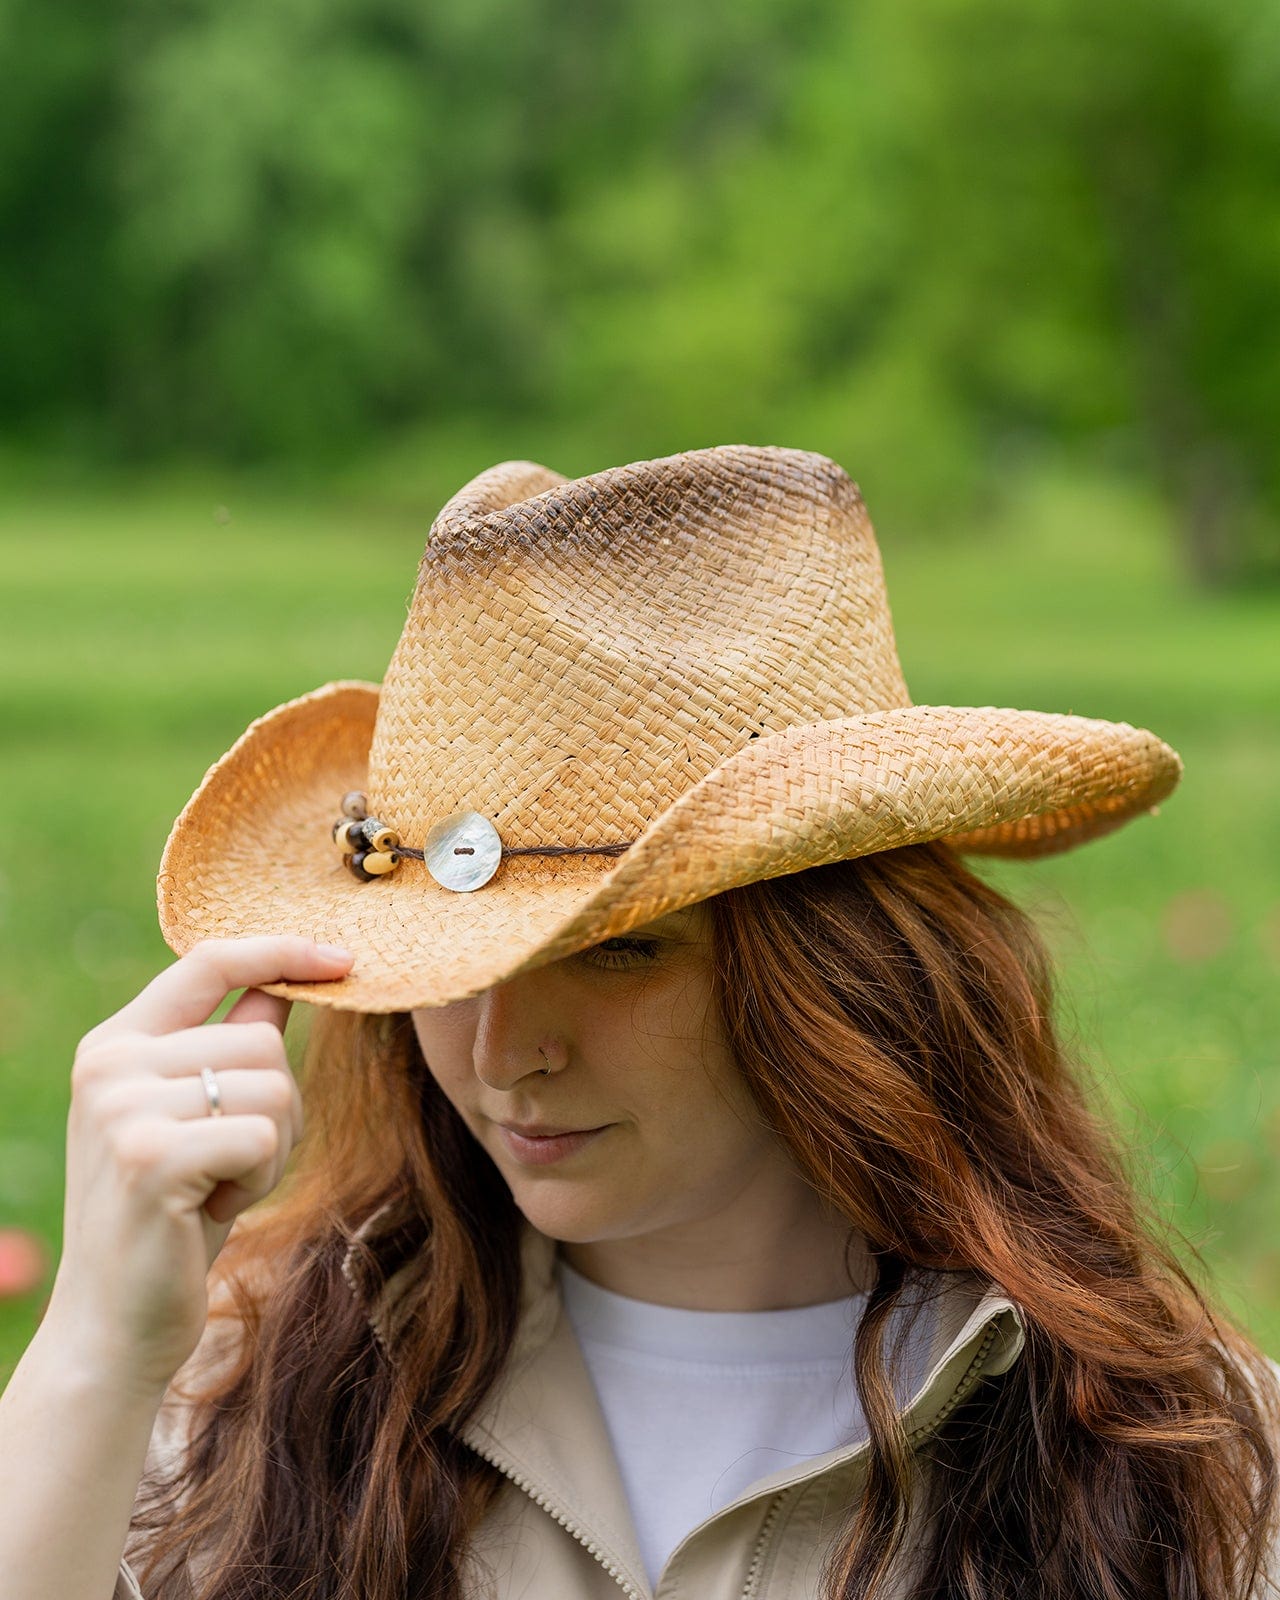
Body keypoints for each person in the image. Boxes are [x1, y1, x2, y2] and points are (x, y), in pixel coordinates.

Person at [2, 446, 1277, 1600]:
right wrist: (96, 1353)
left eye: (614, 951)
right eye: (442, 966)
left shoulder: (1173, 1451)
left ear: (837, 968)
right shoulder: (246, 1385)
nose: (502, 1054)